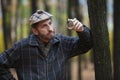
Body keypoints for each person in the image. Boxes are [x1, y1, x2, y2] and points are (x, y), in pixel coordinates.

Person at [0, 10, 92, 80]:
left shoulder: (62, 43)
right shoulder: (22, 47)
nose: (50, 29)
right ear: (35, 31)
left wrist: (82, 30)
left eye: (50, 23)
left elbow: (86, 45)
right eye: (44, 26)